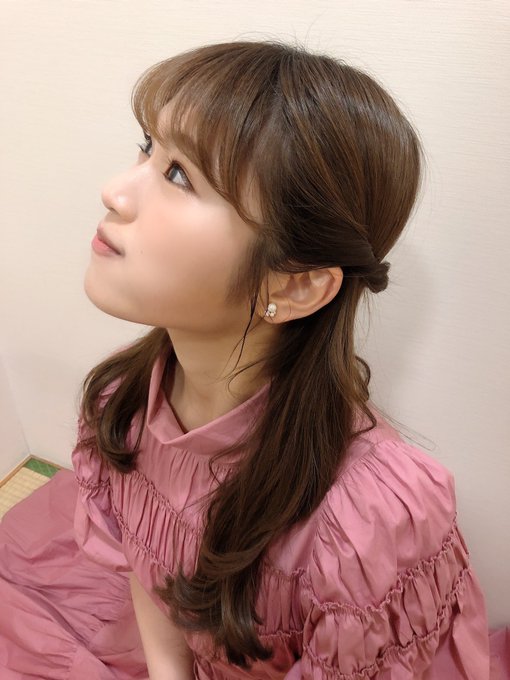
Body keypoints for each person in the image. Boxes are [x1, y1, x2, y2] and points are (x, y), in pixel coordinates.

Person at [0, 39, 508, 679]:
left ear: (296, 286)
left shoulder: (366, 525)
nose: (115, 191)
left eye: (179, 175)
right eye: (147, 148)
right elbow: (147, 571)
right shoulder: (125, 403)